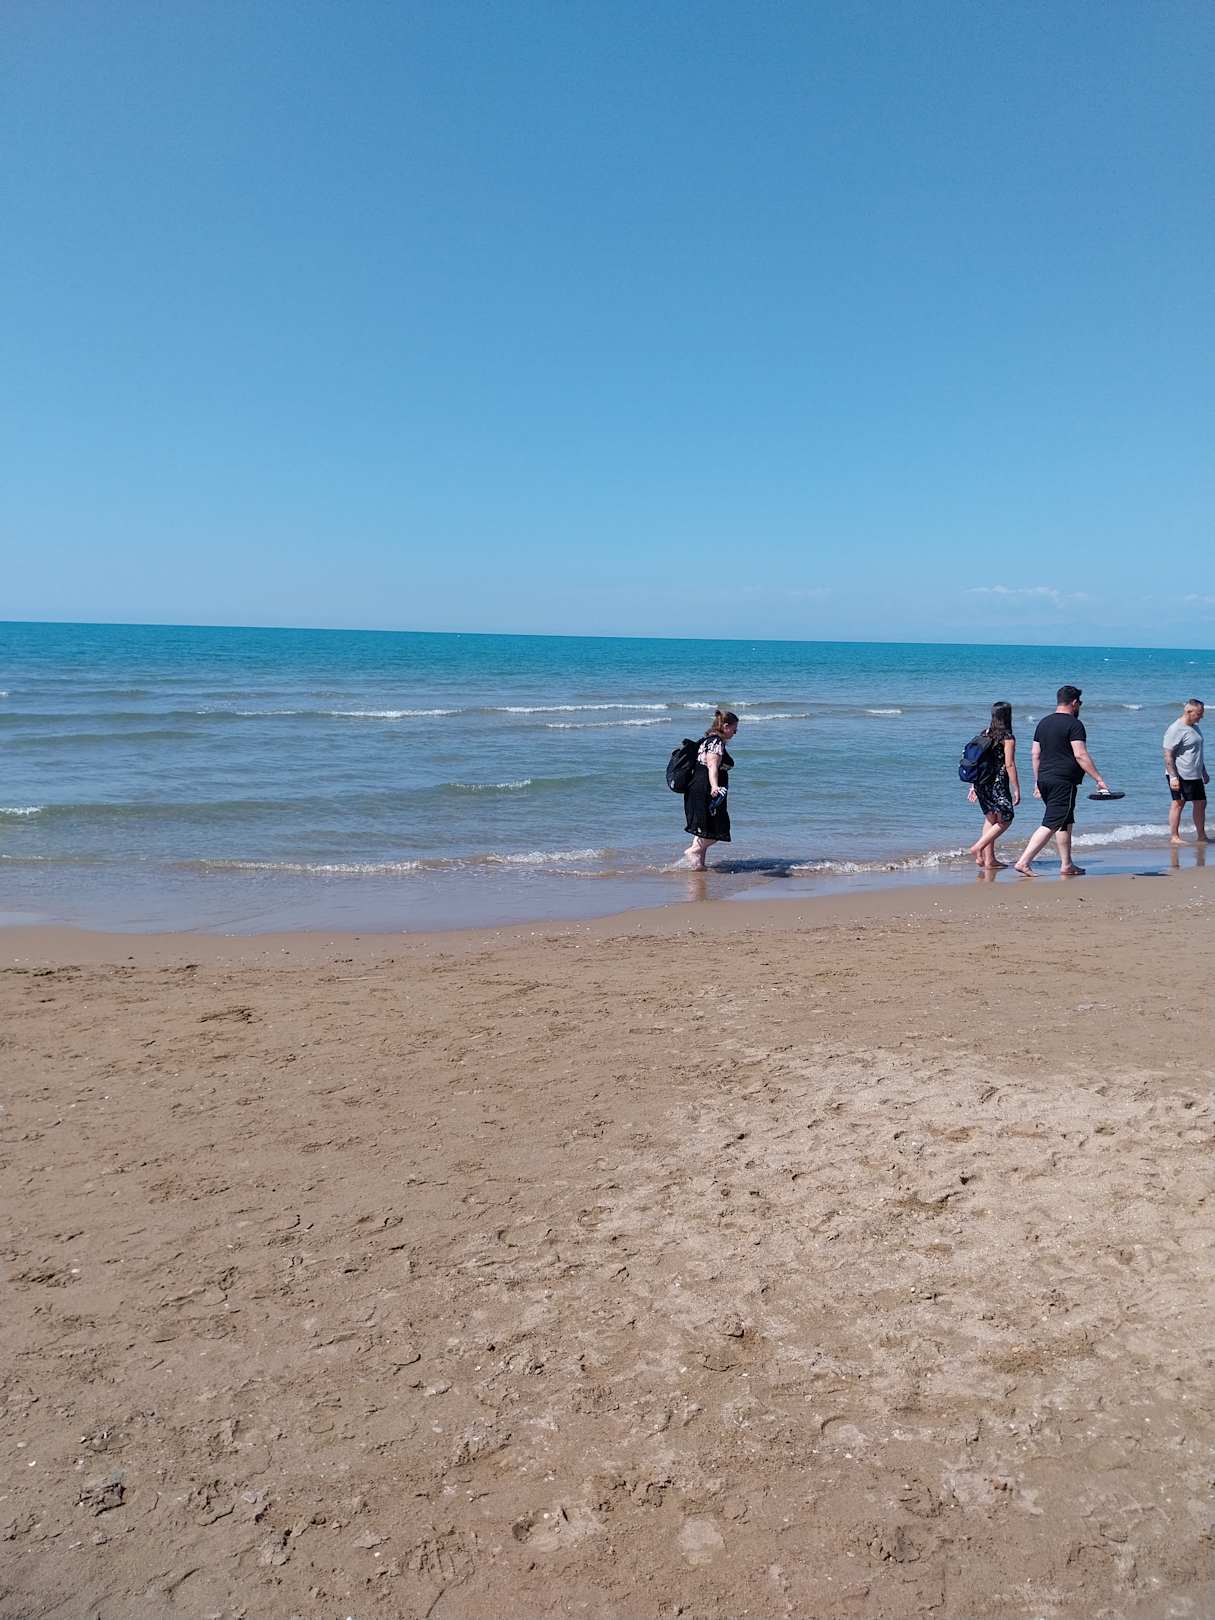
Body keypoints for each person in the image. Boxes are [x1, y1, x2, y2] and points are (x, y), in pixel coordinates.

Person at [1015, 685, 1110, 877]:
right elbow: (1080, 754)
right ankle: (1024, 862)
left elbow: (1035, 754)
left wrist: (1037, 781)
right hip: (1062, 781)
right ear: (1074, 703)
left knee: (1064, 821)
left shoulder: (1043, 722)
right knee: (1052, 822)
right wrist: (1098, 779)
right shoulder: (1075, 725)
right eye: (1079, 703)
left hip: (1045, 779)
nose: (1079, 706)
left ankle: (1067, 864)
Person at [966, 701, 1020, 868]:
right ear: (1008, 716)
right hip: (997, 784)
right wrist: (1016, 788)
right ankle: (978, 847)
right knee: (1006, 818)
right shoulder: (1007, 738)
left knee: (990, 818)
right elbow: (1009, 764)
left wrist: (973, 785)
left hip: (981, 783)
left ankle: (989, 860)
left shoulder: (985, 733)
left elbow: (977, 761)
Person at [684, 709, 739, 869]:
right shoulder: (716, 742)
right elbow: (712, 766)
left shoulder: (706, 741)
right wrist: (715, 786)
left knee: (704, 827)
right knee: (718, 828)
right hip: (706, 789)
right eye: (734, 729)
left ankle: (698, 865)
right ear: (725, 726)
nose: (735, 733)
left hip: (697, 787)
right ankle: (693, 851)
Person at [1163, 699, 1208, 844]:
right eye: (1199, 714)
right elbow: (1168, 755)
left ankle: (1201, 836)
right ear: (1189, 712)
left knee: (1201, 803)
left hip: (1195, 774)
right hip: (1180, 774)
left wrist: (1203, 771)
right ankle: (1174, 837)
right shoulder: (1175, 729)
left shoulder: (1195, 727)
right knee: (1178, 803)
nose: (1201, 716)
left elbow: (1196, 751)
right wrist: (1173, 777)